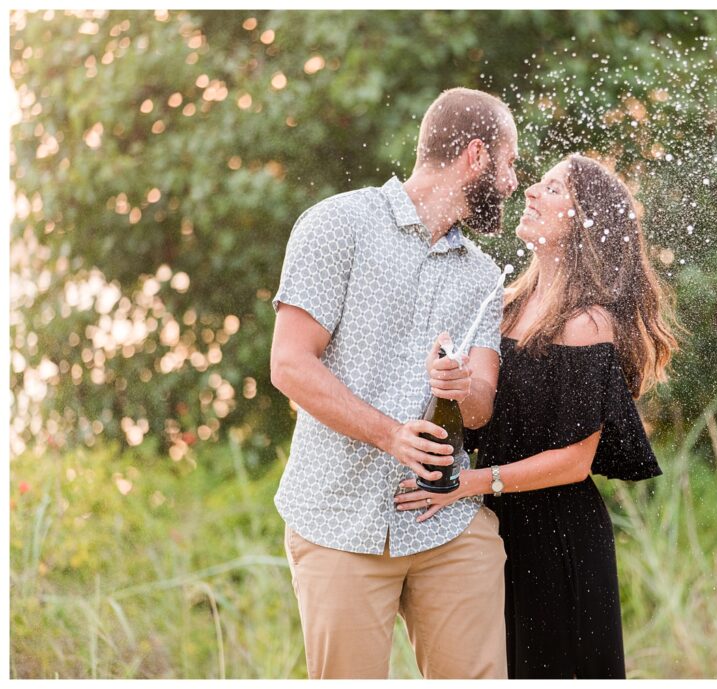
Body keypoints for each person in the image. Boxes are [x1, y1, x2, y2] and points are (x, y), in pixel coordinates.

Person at [395, 154, 680, 678]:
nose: (530, 191)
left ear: (584, 220)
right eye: (539, 182)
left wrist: (467, 484)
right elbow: (481, 419)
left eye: (552, 188)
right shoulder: (503, 305)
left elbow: (575, 461)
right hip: (497, 528)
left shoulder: (587, 322)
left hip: (559, 536)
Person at [269, 87, 519, 679]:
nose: (512, 182)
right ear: (476, 156)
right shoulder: (338, 224)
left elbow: (480, 408)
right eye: (509, 164)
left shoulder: (483, 273)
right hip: (338, 520)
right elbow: (289, 364)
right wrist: (389, 435)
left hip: (448, 525)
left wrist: (460, 385)